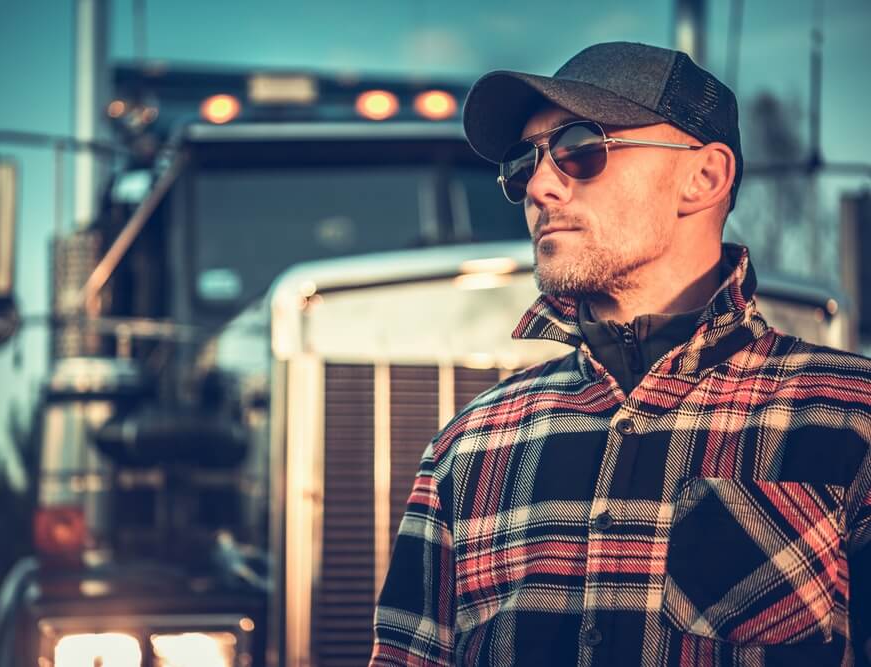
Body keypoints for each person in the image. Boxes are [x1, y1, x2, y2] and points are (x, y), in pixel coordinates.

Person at [370, 41, 871, 666]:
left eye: (580, 147)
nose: (540, 186)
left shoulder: (853, 419)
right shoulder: (467, 446)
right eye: (525, 164)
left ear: (704, 177)